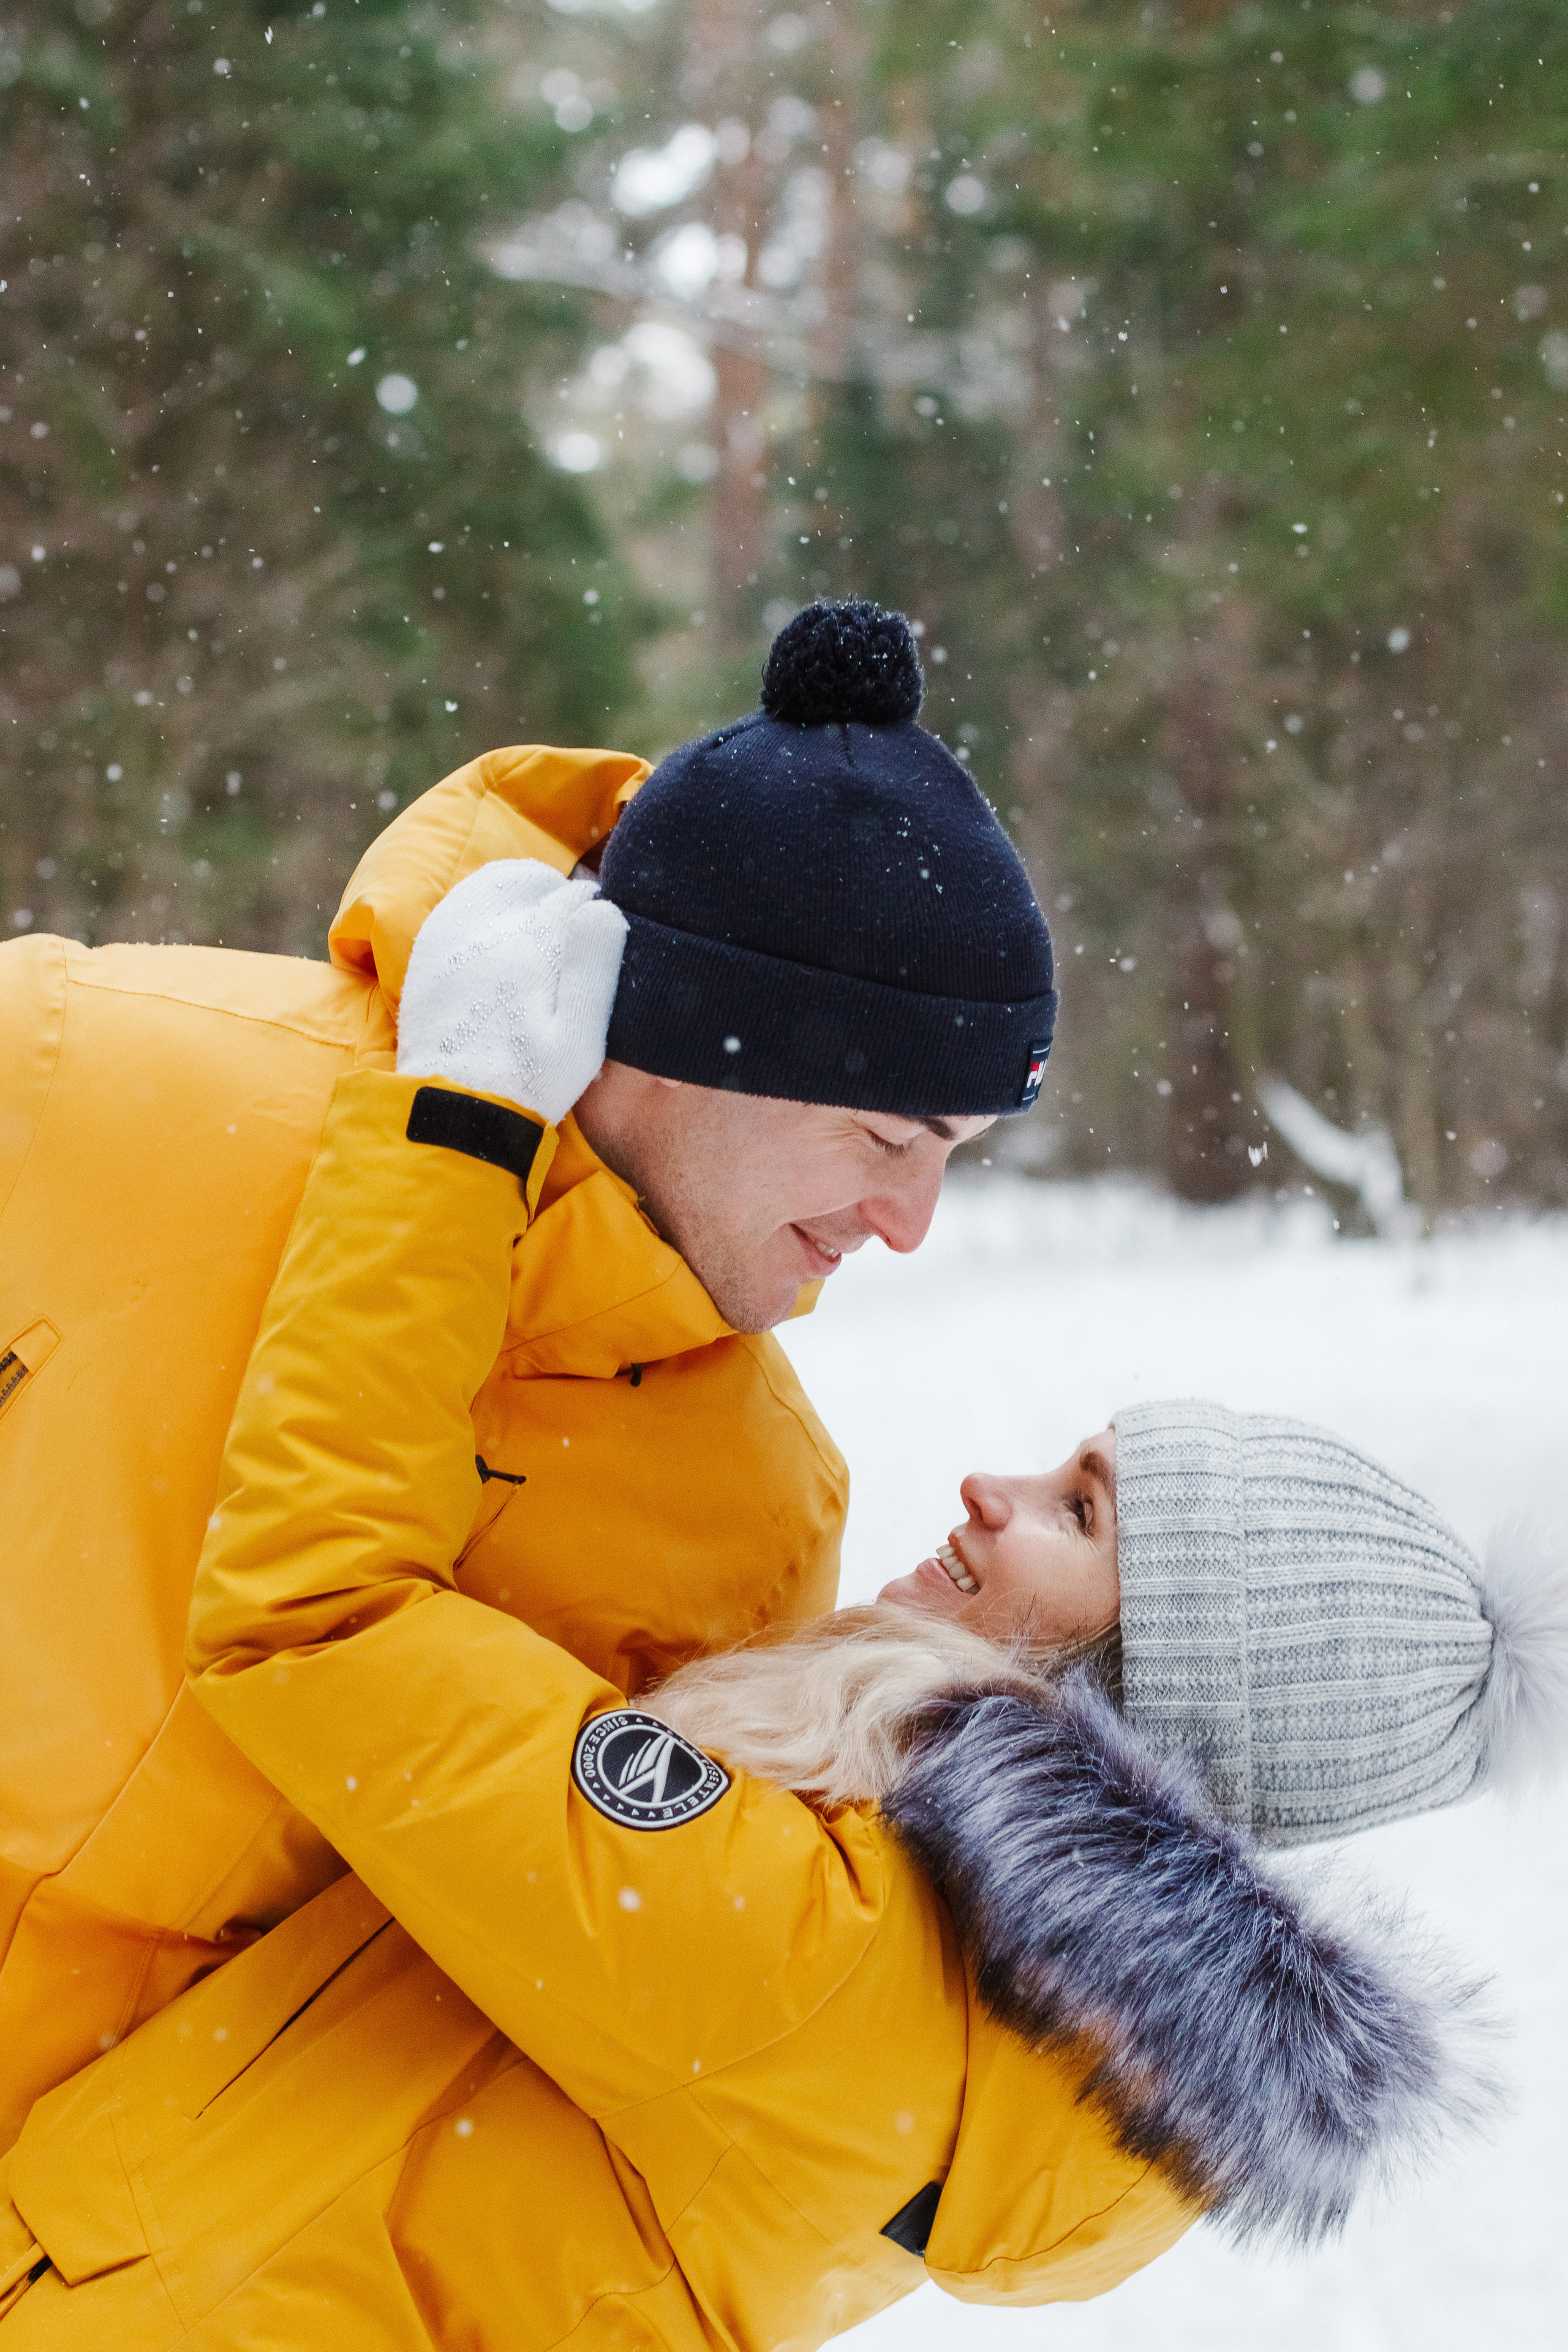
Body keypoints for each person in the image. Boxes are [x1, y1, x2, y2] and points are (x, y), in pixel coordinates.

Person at [4, 1041, 1546, 2348]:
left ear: (1177, 1701)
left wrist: (460, 1122)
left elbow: (319, 1622)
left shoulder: (836, 1956)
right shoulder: (985, 1991)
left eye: (1078, 1516)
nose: (986, 1491)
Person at [0, 601, 1057, 2147]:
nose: (909, 1224)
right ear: (697, 1039)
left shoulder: (751, 1514)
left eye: (955, 1156)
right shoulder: (84, 1070)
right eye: (886, 1136)